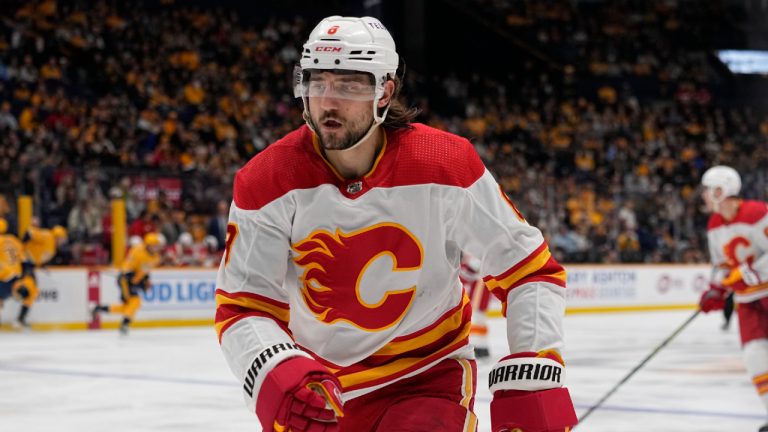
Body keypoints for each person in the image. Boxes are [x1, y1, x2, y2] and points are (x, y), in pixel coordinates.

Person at [215, 15, 576, 432]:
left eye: (349, 84)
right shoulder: (267, 179)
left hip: (425, 376)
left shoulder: (445, 164)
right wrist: (274, 371)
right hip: (320, 387)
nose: (328, 101)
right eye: (317, 82)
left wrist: (536, 366)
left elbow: (528, 267)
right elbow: (244, 302)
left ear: (384, 92)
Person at [697, 165, 768, 432]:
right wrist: (716, 289)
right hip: (748, 300)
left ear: (721, 190)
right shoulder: (715, 224)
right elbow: (722, 265)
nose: (704, 195)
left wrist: (749, 272)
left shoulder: (758, 213)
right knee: (754, 357)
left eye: (707, 189)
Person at [91, 232, 164, 335]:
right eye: (155, 245)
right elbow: (128, 267)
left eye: (158, 245)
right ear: (149, 245)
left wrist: (146, 281)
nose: (157, 247)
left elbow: (145, 270)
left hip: (135, 281)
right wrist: (129, 276)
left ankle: (100, 309)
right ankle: (124, 324)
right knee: (135, 301)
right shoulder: (137, 251)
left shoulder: (156, 257)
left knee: (128, 306)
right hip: (125, 280)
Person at [17, 223, 68, 328]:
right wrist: (20, 248)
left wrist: (40, 265)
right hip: (23, 261)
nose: (62, 242)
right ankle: (20, 318)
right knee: (29, 286)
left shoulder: (53, 247)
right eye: (62, 239)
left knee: (33, 290)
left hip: (29, 264)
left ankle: (21, 318)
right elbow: (29, 233)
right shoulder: (47, 236)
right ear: (58, 236)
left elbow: (39, 255)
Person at [459, 252, 491, 360]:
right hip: (478, 292)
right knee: (478, 321)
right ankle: (480, 345)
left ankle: (480, 346)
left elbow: (475, 267)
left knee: (478, 320)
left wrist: (467, 260)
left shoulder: (478, 260)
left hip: (480, 292)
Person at [0, 218, 26, 328]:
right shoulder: (14, 240)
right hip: (17, 277)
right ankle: (20, 319)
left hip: (4, 276)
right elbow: (24, 260)